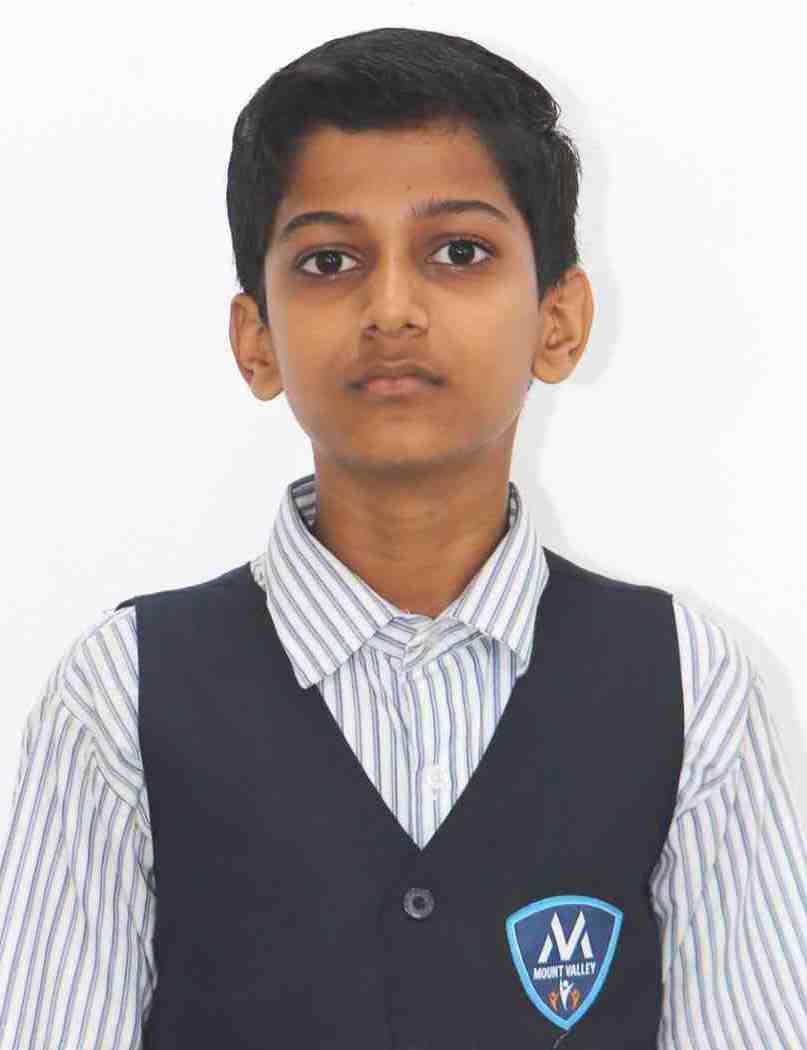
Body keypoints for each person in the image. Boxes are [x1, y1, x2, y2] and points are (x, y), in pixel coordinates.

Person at [1, 25, 806, 1050]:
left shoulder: (691, 683)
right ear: (257, 340)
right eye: (329, 260)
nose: (391, 308)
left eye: (458, 252)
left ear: (557, 320)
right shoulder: (120, 694)